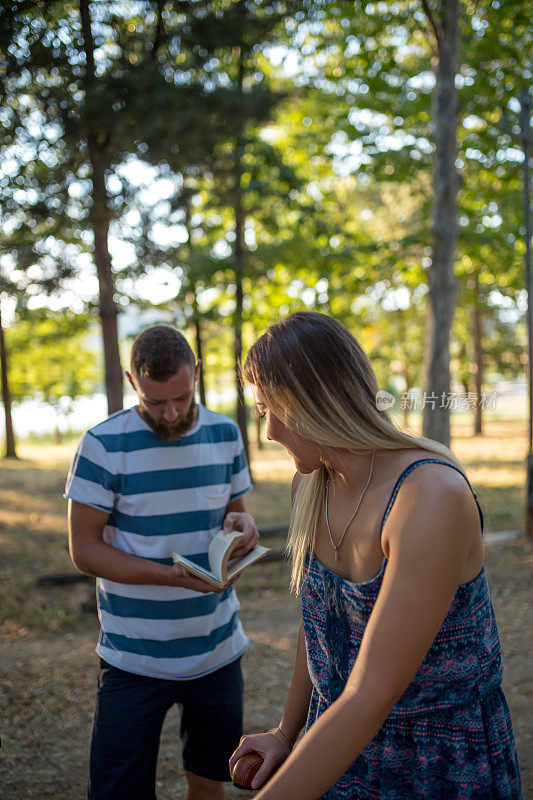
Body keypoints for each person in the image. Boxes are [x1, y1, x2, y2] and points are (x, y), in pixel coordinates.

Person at [230, 312, 523, 800]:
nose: (268, 432)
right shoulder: (313, 481)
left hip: (435, 761)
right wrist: (287, 732)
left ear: (314, 403)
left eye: (269, 411)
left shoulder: (428, 494)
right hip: (337, 743)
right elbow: (320, 620)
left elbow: (370, 694)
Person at [65, 324, 259, 800]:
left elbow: (233, 512)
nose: (170, 414)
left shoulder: (226, 433)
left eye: (181, 397)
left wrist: (244, 525)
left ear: (197, 372)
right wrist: (169, 578)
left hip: (217, 651)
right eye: (155, 402)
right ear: (133, 381)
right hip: (133, 657)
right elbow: (83, 549)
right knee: (117, 792)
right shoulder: (102, 445)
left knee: (210, 782)